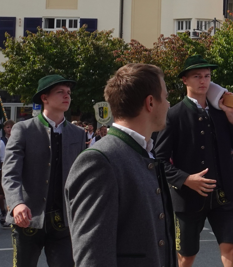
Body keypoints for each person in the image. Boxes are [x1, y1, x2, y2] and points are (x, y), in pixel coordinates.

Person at [65, 63, 176, 267]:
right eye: (166, 96)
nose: (169, 104)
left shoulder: (143, 152)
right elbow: (93, 258)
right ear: (150, 102)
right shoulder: (99, 161)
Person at [154, 56, 233, 267]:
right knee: (185, 258)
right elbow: (159, 160)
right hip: (188, 199)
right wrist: (186, 179)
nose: (203, 81)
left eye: (207, 76)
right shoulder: (173, 115)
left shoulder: (222, 113)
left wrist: (232, 117)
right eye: (197, 76)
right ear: (185, 80)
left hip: (225, 196)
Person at [2, 74, 86, 267]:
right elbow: (10, 172)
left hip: (63, 221)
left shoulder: (78, 134)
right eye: (60, 92)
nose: (67, 96)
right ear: (44, 98)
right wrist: (16, 204)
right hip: (27, 219)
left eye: (68, 93)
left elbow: (81, 177)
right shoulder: (24, 129)